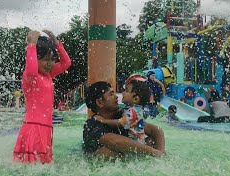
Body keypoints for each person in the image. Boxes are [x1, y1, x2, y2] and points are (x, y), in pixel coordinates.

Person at [13, 29, 72, 164]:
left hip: (46, 129)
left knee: (42, 168)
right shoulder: (30, 78)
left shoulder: (48, 76)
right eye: (45, 59)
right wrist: (31, 46)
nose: (50, 64)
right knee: (31, 168)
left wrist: (57, 44)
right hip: (34, 128)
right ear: (35, 58)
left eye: (52, 59)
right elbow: (32, 69)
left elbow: (66, 63)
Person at [83, 81, 165, 158]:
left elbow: (157, 130)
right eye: (111, 94)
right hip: (98, 167)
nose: (116, 96)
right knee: (106, 152)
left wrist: (159, 153)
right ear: (100, 103)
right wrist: (151, 151)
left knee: (149, 141)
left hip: (126, 161)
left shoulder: (122, 114)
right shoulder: (92, 125)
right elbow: (115, 142)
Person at [94, 80, 152, 145]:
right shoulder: (133, 109)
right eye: (111, 94)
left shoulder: (134, 112)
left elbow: (121, 122)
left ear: (135, 99)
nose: (123, 93)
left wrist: (104, 120)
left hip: (136, 142)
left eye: (126, 91)